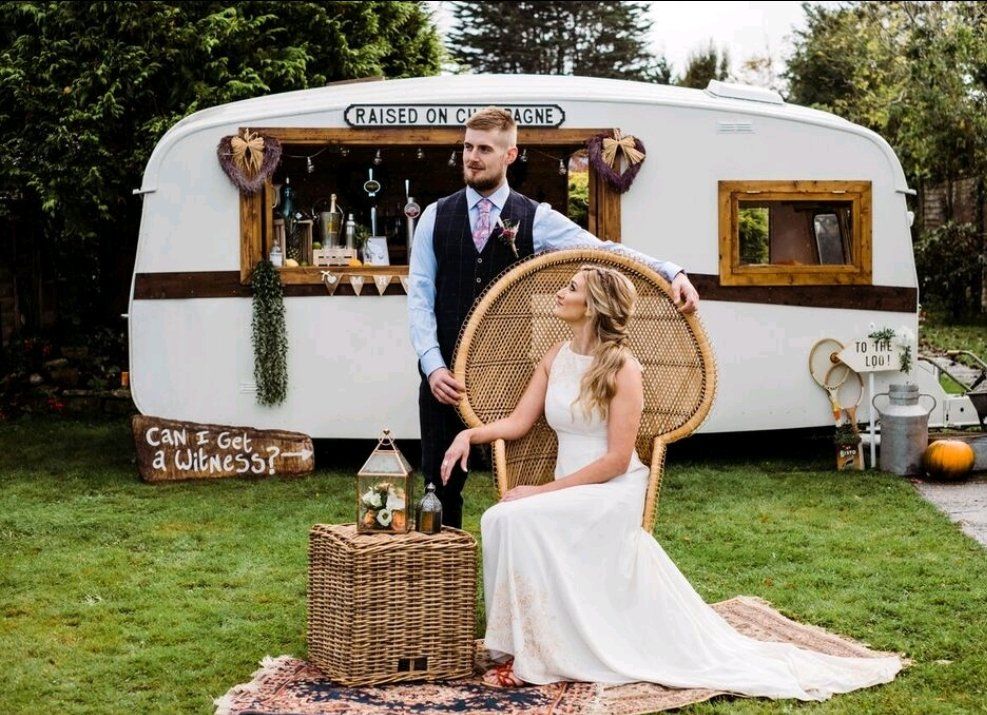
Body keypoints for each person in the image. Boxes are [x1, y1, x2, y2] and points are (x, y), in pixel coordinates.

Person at [440, 265, 903, 698]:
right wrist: (469, 433)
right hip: (570, 487)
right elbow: (520, 422)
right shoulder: (556, 356)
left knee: (519, 517)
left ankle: (535, 662)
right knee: (501, 516)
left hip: (609, 492)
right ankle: (520, 644)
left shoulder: (623, 368)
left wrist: (538, 492)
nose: (560, 293)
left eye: (572, 289)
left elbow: (618, 461)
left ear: (595, 306)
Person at [408, 106, 700, 528]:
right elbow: (418, 298)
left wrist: (670, 271)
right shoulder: (435, 216)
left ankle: (527, 573)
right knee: (439, 485)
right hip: (443, 381)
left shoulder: (536, 218)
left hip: (510, 377)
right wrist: (432, 366)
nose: (472, 157)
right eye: (467, 147)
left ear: (510, 155)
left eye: (484, 149)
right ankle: (444, 584)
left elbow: (602, 251)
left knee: (519, 482)